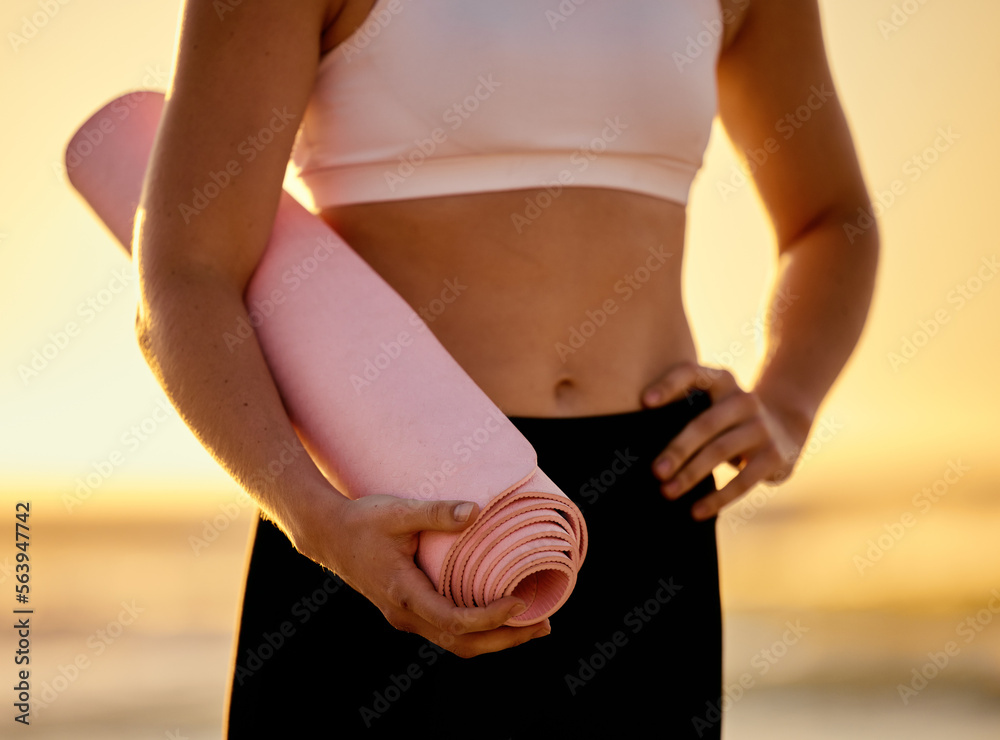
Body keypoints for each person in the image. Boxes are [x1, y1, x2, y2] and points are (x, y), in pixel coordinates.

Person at [133, 0, 879, 736]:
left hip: (648, 499)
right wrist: (314, 519)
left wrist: (787, 403)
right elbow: (185, 272)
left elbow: (832, 218)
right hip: (388, 517)